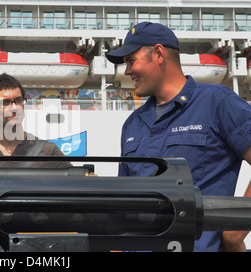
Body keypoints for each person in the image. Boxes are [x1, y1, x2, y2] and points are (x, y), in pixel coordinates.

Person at [106, 21, 251, 252]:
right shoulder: (132, 124)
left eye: (131, 61)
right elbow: (124, 206)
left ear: (159, 53)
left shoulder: (216, 103)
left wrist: (236, 229)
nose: (127, 71)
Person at [0, 73, 71, 169]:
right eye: (5, 103)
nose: (15, 107)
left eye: (18, 100)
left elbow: (77, 185)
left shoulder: (48, 150)